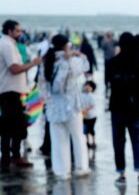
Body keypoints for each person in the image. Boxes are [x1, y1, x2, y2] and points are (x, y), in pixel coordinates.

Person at [39, 34, 90, 180]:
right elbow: (85, 65)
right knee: (78, 137)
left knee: (58, 139)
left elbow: (43, 84)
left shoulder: (47, 60)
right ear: (66, 45)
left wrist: (46, 100)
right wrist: (78, 55)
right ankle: (81, 167)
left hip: (53, 105)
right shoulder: (70, 61)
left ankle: (61, 171)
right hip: (71, 105)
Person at [106, 32, 139, 189]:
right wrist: (133, 86)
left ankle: (121, 174)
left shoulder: (111, 63)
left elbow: (109, 82)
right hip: (136, 107)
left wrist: (122, 83)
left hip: (117, 107)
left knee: (119, 141)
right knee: (137, 140)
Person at [0, 19, 42, 171]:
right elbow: (14, 68)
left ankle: (8, 157)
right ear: (9, 31)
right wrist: (33, 63)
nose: (20, 33)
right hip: (9, 91)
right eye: (17, 30)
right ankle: (13, 157)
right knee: (15, 125)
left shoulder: (10, 44)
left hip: (12, 90)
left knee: (10, 125)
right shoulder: (7, 44)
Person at [81, 80, 97, 149]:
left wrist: (85, 109)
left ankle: (93, 141)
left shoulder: (92, 96)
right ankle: (87, 142)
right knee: (85, 130)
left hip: (92, 116)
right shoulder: (82, 95)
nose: (87, 87)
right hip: (84, 116)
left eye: (89, 86)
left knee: (91, 129)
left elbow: (92, 105)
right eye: (86, 85)